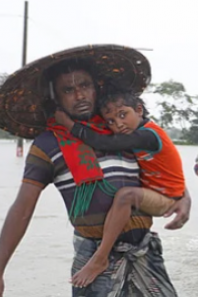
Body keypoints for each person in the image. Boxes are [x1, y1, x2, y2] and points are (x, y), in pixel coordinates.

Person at [0, 56, 189, 297]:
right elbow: (22, 207)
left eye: (84, 86)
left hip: (143, 250)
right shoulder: (48, 145)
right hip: (95, 256)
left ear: (97, 89)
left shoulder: (121, 129)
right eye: (67, 90)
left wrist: (185, 199)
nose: (78, 95)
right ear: (55, 98)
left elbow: (162, 172)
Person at [54, 90, 185, 287]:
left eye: (123, 115)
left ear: (139, 110)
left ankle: (100, 257)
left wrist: (68, 125)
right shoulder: (137, 132)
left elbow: (105, 142)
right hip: (155, 191)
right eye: (111, 121)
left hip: (165, 198)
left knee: (125, 195)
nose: (118, 124)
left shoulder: (148, 135)